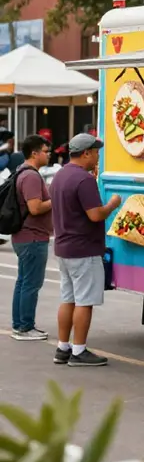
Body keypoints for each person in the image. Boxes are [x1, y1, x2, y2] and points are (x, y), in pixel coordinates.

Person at [50, 133, 121, 367]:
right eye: (96, 152)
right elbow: (95, 214)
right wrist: (112, 204)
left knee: (67, 298)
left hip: (63, 247)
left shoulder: (60, 176)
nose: (98, 157)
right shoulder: (84, 179)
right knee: (84, 301)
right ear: (86, 153)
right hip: (84, 249)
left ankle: (63, 347)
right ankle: (79, 351)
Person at [10, 135, 53, 341]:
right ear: (35, 153)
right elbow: (35, 208)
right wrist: (54, 199)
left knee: (23, 281)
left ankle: (19, 325)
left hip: (23, 236)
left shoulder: (21, 171)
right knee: (31, 283)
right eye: (46, 151)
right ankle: (26, 327)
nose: (49, 154)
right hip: (33, 237)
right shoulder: (31, 176)